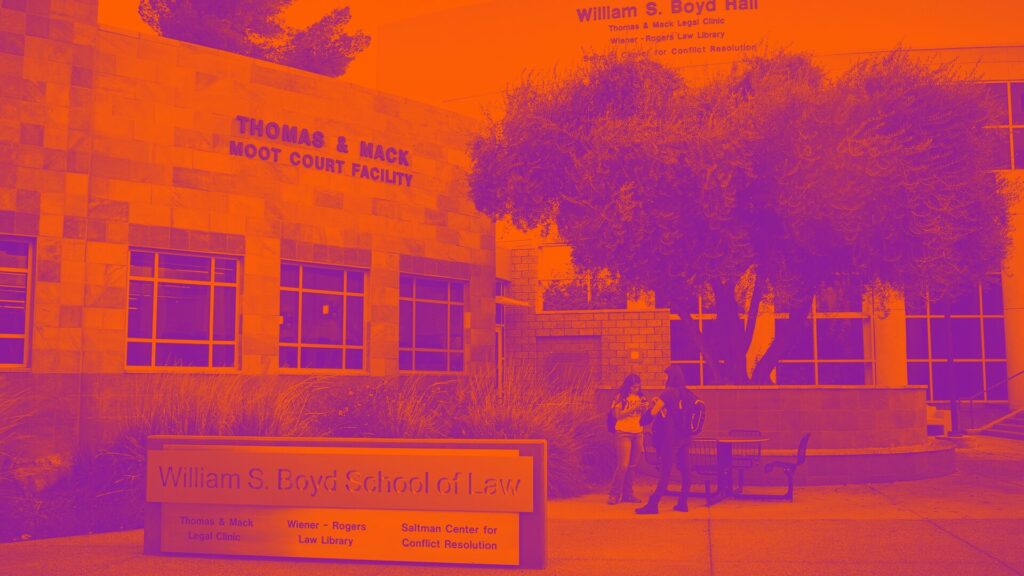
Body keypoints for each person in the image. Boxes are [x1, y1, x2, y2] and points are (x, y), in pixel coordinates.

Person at [635, 364, 699, 514]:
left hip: (670, 439)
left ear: (670, 377)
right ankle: (683, 503)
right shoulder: (688, 394)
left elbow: (653, 413)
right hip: (685, 437)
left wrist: (643, 419)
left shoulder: (668, 393)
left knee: (665, 472)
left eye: (666, 376)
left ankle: (653, 504)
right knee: (685, 470)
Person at [607, 373, 648, 505]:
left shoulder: (641, 397)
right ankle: (614, 494)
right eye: (633, 387)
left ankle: (628, 494)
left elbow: (644, 416)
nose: (636, 389)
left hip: (638, 432)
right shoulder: (621, 397)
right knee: (623, 465)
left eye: (638, 387)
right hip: (623, 432)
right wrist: (634, 407)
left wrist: (646, 408)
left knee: (632, 466)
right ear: (628, 386)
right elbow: (617, 415)